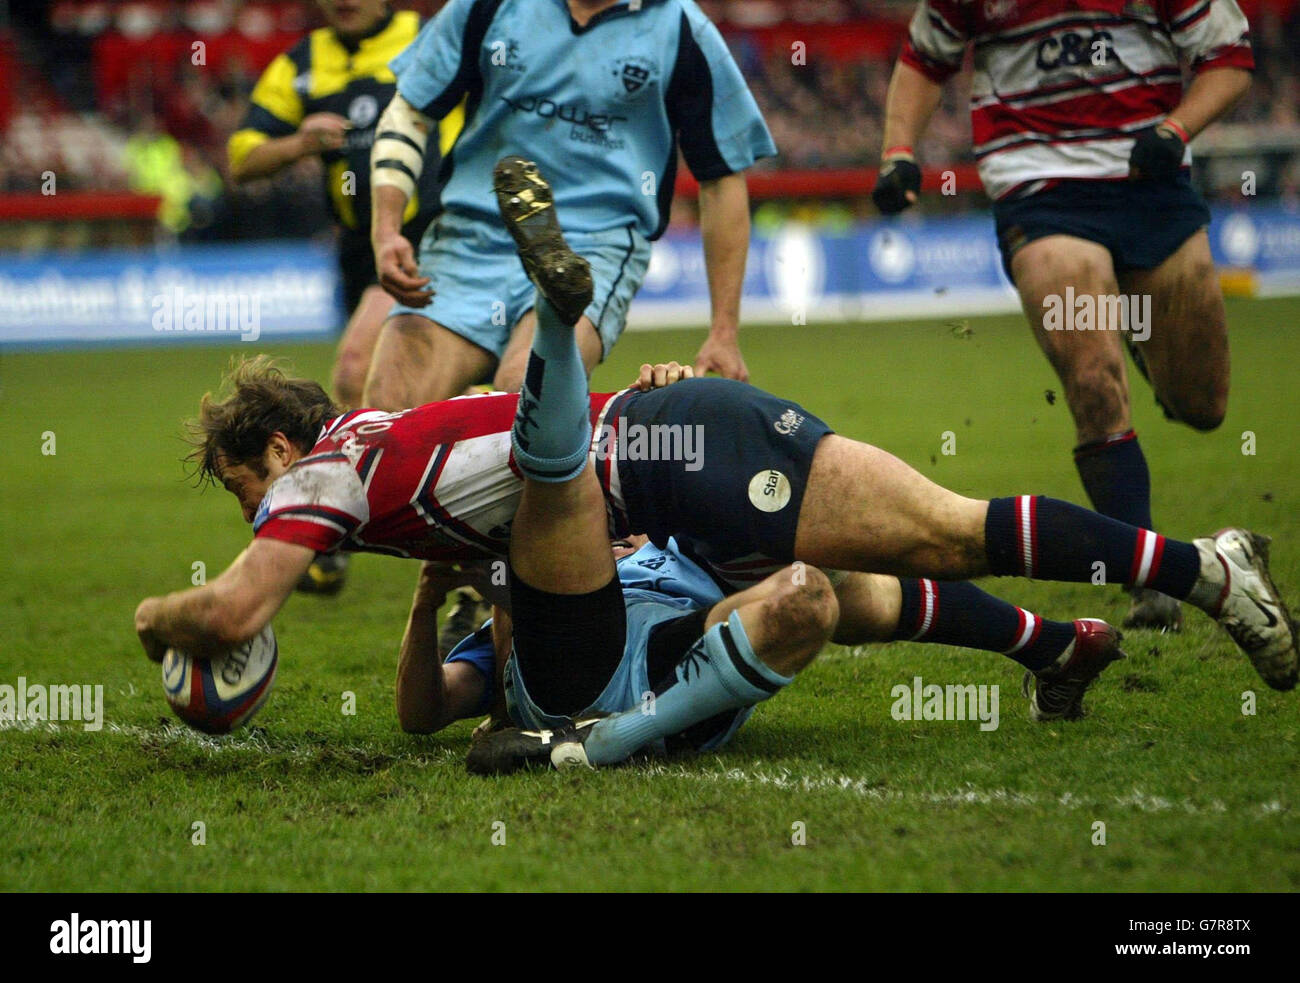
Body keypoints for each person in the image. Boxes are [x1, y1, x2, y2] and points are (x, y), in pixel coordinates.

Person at [134, 159, 1297, 705]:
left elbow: (234, 608)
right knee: (875, 582)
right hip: (664, 447)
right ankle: (1062, 644)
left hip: (657, 456)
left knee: (942, 539)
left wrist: (156, 618)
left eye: (242, 487)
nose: (252, 515)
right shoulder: (377, 441)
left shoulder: (322, 475)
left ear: (277, 452)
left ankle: (1202, 568)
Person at [871, 0, 1254, 631]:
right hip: (1039, 188)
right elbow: (923, 60)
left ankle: (1138, 335)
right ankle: (1151, 580)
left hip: (1149, 181)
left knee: (1204, 405)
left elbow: (1231, 61)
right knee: (1093, 378)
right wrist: (898, 152)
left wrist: (1176, 130)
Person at [363, 0, 772, 415]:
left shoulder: (682, 26)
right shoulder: (486, 6)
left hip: (592, 248)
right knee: (388, 408)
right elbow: (409, 112)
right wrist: (386, 230)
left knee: (524, 398)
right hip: (470, 239)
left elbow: (721, 177)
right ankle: (472, 419)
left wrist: (723, 331)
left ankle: (493, 421)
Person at [228, 0, 461, 595]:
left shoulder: (430, 36)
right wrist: (298, 144)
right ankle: (465, 547)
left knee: (357, 370)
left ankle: (330, 532)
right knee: (438, 389)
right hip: (360, 249)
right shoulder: (303, 64)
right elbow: (241, 157)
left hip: (434, 235)